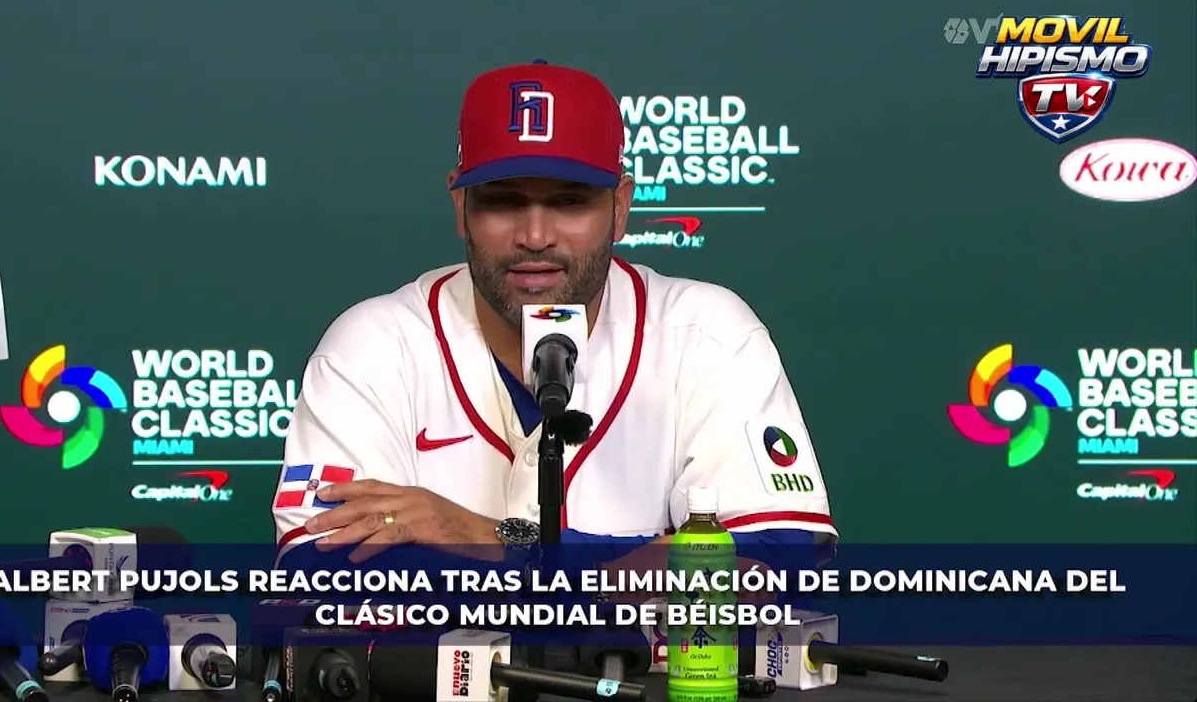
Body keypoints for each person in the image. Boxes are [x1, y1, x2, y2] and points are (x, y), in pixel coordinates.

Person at [272, 61, 836, 571]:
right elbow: (320, 571)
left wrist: (491, 540)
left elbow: (783, 560)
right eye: (504, 200)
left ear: (620, 207)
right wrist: (642, 563)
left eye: (569, 201)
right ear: (460, 207)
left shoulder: (705, 335)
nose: (535, 236)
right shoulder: (373, 346)